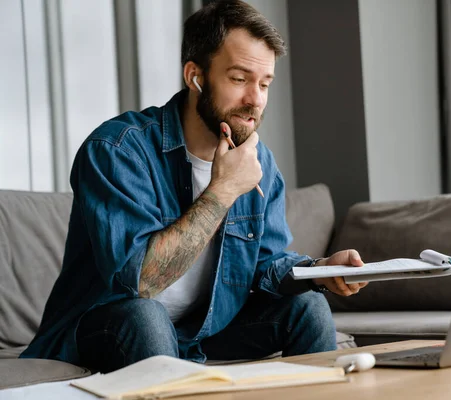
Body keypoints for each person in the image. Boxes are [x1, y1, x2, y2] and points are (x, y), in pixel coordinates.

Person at [20, 0, 367, 372]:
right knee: (145, 316)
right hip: (104, 327)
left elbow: (266, 265)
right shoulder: (117, 150)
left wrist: (320, 270)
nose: (256, 100)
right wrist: (222, 191)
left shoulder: (259, 161)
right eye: (239, 79)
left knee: (307, 306)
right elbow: (140, 282)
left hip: (198, 327)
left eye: (264, 84)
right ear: (194, 76)